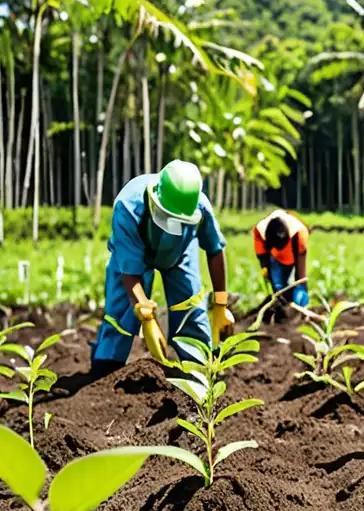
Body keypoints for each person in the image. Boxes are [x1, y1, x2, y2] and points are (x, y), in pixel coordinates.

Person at [91, 160, 234, 374]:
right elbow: (130, 273)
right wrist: (146, 314)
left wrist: (221, 304)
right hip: (136, 255)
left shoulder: (200, 206)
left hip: (179, 253)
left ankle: (200, 377)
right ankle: (104, 375)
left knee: (190, 308)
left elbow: (214, 250)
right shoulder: (129, 206)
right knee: (121, 314)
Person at [253, 210, 310, 308]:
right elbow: (262, 256)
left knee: (298, 291)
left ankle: (296, 305)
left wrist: (302, 284)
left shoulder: (300, 234)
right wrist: (265, 269)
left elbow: (301, 262)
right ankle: (281, 306)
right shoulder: (260, 231)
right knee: (278, 288)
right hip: (275, 259)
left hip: (292, 258)